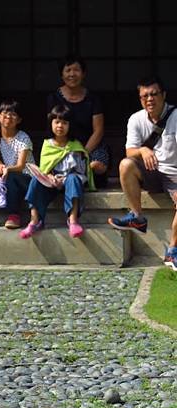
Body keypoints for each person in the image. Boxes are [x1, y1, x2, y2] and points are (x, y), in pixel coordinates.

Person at [108, 75, 177, 270]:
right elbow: (130, 151)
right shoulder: (136, 119)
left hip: (174, 172)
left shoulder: (176, 117)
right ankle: (137, 216)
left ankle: (173, 250)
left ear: (163, 95)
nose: (149, 99)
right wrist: (143, 150)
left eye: (154, 94)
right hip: (151, 172)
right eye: (144, 96)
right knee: (126, 164)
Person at [19, 105, 95, 239]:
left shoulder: (75, 145)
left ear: (70, 125)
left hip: (69, 182)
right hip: (51, 183)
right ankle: (34, 221)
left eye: (65, 123)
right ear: (51, 123)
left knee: (73, 179)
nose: (60, 126)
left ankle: (72, 221)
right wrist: (50, 177)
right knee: (36, 180)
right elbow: (44, 169)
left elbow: (81, 172)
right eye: (57, 122)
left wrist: (64, 179)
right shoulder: (47, 144)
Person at [47, 55, 110, 187]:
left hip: (90, 146)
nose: (72, 74)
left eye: (76, 70)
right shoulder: (53, 98)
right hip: (63, 146)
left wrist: (83, 152)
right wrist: (69, 151)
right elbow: (53, 127)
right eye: (68, 70)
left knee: (97, 166)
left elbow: (98, 130)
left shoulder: (93, 98)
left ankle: (80, 176)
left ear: (83, 73)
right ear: (61, 74)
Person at [0, 100, 35, 229]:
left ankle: (14, 214)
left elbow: (20, 166)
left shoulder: (23, 138)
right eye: (5, 113)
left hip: (24, 178)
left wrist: (6, 169)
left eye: (13, 114)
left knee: (10, 176)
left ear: (19, 120)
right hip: (6, 175)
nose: (8, 117)